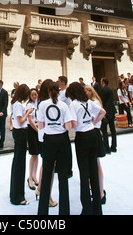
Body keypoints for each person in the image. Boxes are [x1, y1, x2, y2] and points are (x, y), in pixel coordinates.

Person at [66, 81, 106, 215]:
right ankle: (97, 208)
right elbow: (102, 112)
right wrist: (92, 123)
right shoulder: (89, 102)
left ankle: (87, 209)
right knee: (93, 171)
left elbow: (74, 124)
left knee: (84, 175)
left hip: (82, 137)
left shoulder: (74, 105)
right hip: (93, 134)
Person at [37, 81, 72, 216]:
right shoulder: (63, 105)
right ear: (58, 92)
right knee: (63, 178)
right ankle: (64, 212)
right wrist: (60, 127)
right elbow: (68, 126)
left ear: (48, 92)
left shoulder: (42, 105)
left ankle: (42, 213)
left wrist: (50, 127)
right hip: (62, 140)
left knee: (46, 176)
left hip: (49, 140)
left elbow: (40, 125)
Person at [9, 83, 33, 206]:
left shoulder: (15, 103)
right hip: (20, 133)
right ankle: (18, 197)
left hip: (18, 133)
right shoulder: (18, 104)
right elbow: (20, 121)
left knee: (17, 162)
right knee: (20, 164)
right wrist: (28, 112)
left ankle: (14, 194)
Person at [85, 85, 106, 204]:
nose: (84, 93)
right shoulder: (90, 102)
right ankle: (95, 187)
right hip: (91, 132)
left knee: (97, 164)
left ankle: (101, 192)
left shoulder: (95, 102)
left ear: (90, 91)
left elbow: (102, 113)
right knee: (93, 163)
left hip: (95, 132)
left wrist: (93, 123)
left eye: (86, 91)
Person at [25, 88, 40, 190]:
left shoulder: (38, 104)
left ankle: (34, 175)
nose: (34, 96)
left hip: (38, 128)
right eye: (32, 95)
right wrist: (38, 130)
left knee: (37, 153)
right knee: (33, 153)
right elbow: (30, 120)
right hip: (32, 130)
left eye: (35, 94)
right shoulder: (29, 105)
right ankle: (30, 177)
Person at [100, 77, 117, 154]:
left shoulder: (103, 90)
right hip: (112, 110)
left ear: (103, 82)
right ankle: (114, 147)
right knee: (112, 129)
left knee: (104, 130)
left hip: (107, 111)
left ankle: (106, 148)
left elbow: (102, 101)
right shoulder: (110, 89)